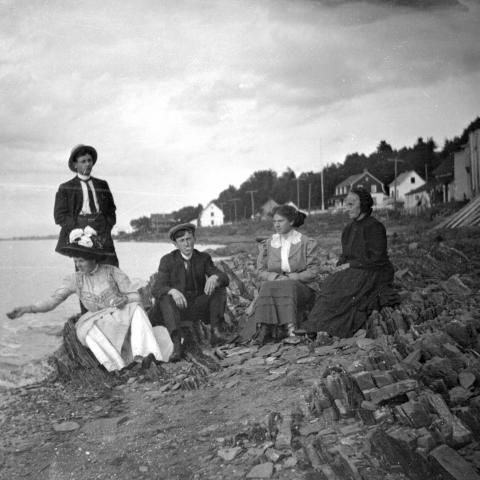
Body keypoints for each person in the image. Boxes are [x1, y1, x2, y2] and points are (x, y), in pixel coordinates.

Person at [7, 228, 172, 371]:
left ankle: (145, 356)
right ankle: (116, 366)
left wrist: (123, 299)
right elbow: (53, 300)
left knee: (136, 308)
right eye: (75, 261)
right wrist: (28, 309)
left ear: (93, 258)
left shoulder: (112, 272)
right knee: (85, 329)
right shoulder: (75, 280)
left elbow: (135, 296)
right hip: (99, 322)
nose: (78, 265)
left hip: (121, 315)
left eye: (81, 260)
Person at [304, 187, 398, 338]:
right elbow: (346, 255)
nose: (346, 208)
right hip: (355, 270)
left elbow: (377, 258)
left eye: (351, 204)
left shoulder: (375, 227)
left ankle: (330, 329)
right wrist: (339, 266)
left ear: (364, 205)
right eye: (346, 204)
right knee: (331, 282)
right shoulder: (348, 229)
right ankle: (315, 326)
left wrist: (350, 266)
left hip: (375, 271)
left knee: (345, 287)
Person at [150, 223, 229, 361]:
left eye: (189, 239)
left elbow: (225, 278)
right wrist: (172, 291)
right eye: (182, 241)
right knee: (165, 297)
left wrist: (215, 277)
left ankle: (216, 331)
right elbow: (156, 289)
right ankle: (176, 345)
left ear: (194, 239)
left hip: (195, 307)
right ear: (175, 244)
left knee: (219, 287)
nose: (187, 244)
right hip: (174, 310)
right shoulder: (168, 260)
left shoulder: (203, 258)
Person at [254, 205, 321, 343]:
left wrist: (297, 276)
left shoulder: (306, 242)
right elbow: (260, 271)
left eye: (281, 221)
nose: (277, 225)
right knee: (267, 285)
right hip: (277, 284)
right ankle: (265, 328)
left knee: (289, 285)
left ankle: (291, 328)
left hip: (303, 287)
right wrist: (276, 277)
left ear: (291, 222)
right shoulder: (268, 244)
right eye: (274, 222)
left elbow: (314, 271)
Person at [54, 144, 119, 267]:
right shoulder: (66, 188)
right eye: (83, 161)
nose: (87, 164)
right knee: (85, 271)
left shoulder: (102, 184)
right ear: (75, 165)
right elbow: (59, 216)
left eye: (89, 160)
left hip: (102, 230)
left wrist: (106, 226)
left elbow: (111, 210)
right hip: (79, 232)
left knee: (111, 268)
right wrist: (77, 230)